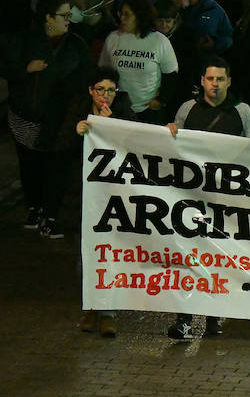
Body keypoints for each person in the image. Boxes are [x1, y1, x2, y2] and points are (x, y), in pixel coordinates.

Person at [166, 57, 250, 340]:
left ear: (229, 82)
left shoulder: (242, 112)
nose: (215, 84)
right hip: (190, 199)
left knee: (216, 259)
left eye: (220, 79)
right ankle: (185, 321)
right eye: (210, 79)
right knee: (190, 258)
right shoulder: (187, 110)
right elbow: (172, 149)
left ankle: (213, 318)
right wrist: (169, 134)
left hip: (226, 201)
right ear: (202, 81)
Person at [4, 0, 92, 238]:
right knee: (29, 163)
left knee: (52, 166)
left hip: (58, 120)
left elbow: (86, 77)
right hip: (25, 116)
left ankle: (49, 210)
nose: (68, 20)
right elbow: (7, 66)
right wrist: (26, 69)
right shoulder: (26, 40)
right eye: (64, 15)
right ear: (48, 18)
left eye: (69, 15)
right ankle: (34, 207)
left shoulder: (76, 45)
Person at [74, 67, 133, 338]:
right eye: (100, 90)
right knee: (87, 254)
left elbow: (136, 146)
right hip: (88, 199)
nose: (105, 95)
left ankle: (109, 313)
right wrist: (78, 132)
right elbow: (57, 147)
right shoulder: (77, 112)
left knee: (113, 252)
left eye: (111, 90)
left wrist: (114, 128)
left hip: (116, 198)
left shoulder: (124, 111)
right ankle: (90, 308)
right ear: (90, 91)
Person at [97, 0, 179, 124]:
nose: (122, 18)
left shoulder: (159, 41)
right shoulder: (113, 38)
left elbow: (171, 75)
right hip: (117, 109)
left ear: (140, 16)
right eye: (121, 14)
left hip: (148, 111)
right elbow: (103, 72)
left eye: (127, 15)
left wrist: (161, 100)